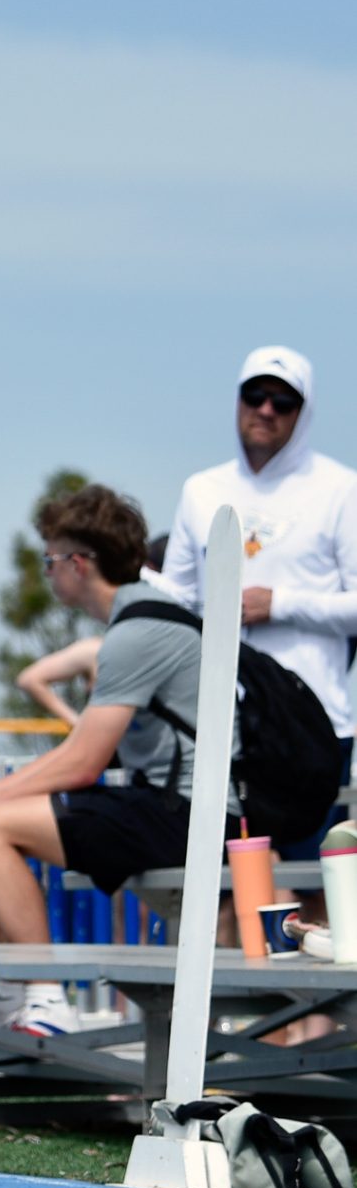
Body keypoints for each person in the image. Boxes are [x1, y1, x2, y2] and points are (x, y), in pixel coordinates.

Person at [0, 484, 226, 1037]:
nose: (48, 573)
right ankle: (15, 994)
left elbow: (81, 763)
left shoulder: (136, 633)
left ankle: (47, 998)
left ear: (79, 564)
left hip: (193, 816)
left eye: (49, 561)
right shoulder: (141, 620)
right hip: (179, 806)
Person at [161, 346, 357, 859]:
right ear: (238, 400)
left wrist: (280, 604)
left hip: (313, 724)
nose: (266, 410)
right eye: (255, 395)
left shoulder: (341, 489)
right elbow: (177, 599)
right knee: (225, 883)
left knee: (312, 884)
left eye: (283, 401)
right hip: (218, 725)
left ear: (303, 412)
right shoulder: (201, 489)